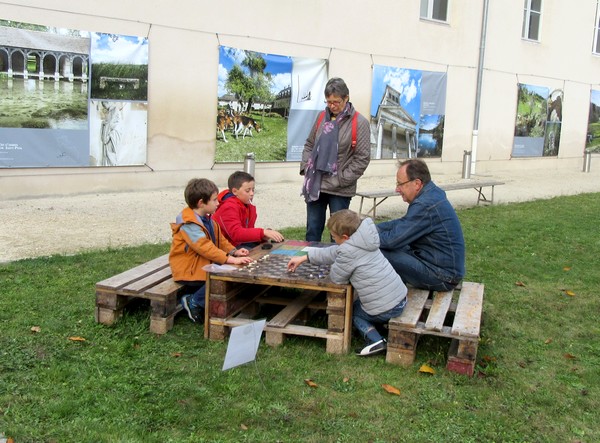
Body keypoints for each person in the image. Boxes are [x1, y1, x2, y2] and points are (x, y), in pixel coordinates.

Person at [287, 209, 407, 356]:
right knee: (359, 304)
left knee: (353, 312)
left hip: (385, 306)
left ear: (344, 237)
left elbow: (337, 278)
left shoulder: (348, 252)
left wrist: (336, 265)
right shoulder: (363, 241)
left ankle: (375, 340)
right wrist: (306, 257)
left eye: (333, 236)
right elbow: (335, 252)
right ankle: (380, 326)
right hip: (399, 298)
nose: (333, 239)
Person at [169, 178, 253, 323]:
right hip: (188, 269)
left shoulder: (208, 219)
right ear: (201, 203)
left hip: (201, 264)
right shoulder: (189, 224)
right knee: (219, 277)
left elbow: (220, 240)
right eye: (214, 200)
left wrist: (234, 251)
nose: (218, 203)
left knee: (228, 272)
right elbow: (205, 248)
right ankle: (193, 301)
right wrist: (230, 259)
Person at [377, 159, 465, 291]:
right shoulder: (430, 194)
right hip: (436, 263)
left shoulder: (425, 205)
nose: (397, 189)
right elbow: (403, 223)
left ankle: (383, 296)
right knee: (385, 247)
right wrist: (373, 228)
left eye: (400, 184)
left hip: (443, 276)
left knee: (377, 251)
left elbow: (392, 241)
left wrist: (364, 236)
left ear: (417, 183)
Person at [300, 77, 371, 242]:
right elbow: (309, 144)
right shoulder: (321, 117)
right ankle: (310, 263)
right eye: (329, 102)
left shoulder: (360, 123)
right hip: (315, 184)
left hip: (340, 188)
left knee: (338, 235)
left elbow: (362, 158)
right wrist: (306, 167)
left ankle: (337, 266)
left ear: (346, 98)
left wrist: (341, 179)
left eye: (336, 102)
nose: (332, 106)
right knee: (312, 230)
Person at [213, 171, 284, 249]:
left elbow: (247, 231)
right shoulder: (228, 207)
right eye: (247, 191)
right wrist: (262, 232)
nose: (252, 193)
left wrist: (263, 236)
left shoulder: (247, 205)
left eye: (253, 190)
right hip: (228, 248)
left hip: (240, 244)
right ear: (234, 191)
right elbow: (237, 234)